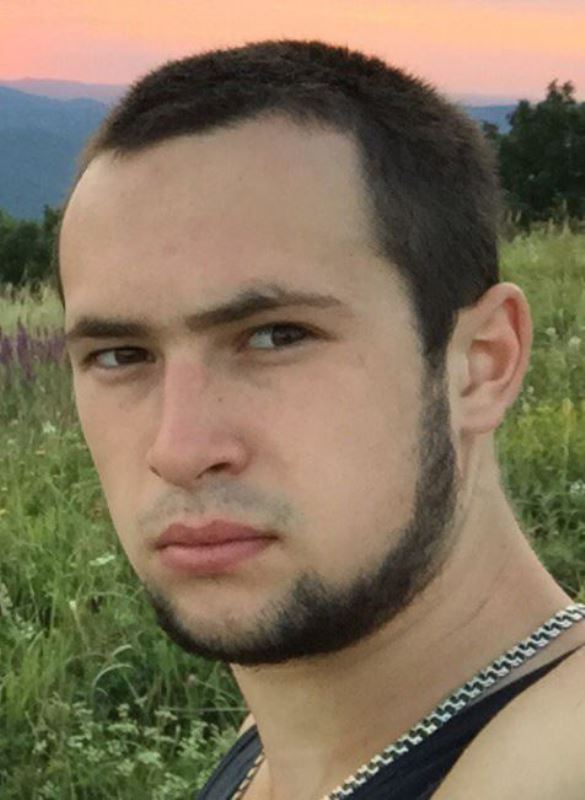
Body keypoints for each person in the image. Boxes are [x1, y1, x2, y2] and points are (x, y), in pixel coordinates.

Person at [55, 39, 585, 799]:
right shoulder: (284, 736)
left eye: (276, 337)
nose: (178, 448)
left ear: (481, 363)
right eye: (120, 355)